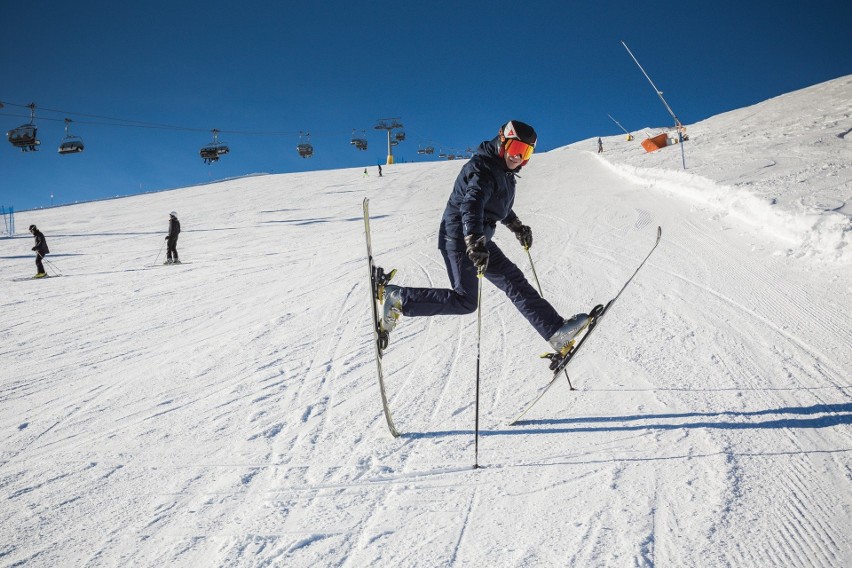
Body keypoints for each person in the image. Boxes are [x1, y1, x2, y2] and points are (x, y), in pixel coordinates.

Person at [377, 120, 589, 359]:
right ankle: (398, 298)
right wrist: (474, 241)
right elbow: (472, 204)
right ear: (502, 141)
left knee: (513, 279)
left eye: (526, 152)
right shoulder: (483, 169)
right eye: (516, 148)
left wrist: (516, 226)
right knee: (465, 300)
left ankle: (555, 332)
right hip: (459, 236)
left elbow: (499, 207)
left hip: (477, 237)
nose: (518, 157)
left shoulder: (505, 174)